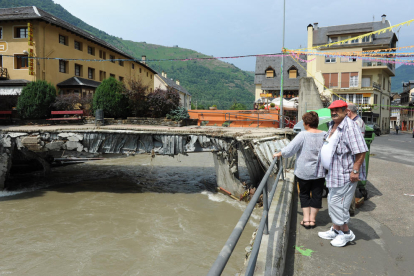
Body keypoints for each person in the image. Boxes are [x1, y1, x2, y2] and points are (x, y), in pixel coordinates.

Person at [316, 100, 368, 247]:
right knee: (334, 202)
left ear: (346, 111)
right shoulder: (333, 125)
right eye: (332, 110)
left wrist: (355, 171)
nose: (334, 112)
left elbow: (361, 150)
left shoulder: (350, 127)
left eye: (337, 110)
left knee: (337, 203)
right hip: (334, 172)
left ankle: (345, 233)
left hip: (345, 173)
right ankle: (335, 229)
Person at [273, 111, 326, 229]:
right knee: (317, 195)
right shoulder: (325, 135)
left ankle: (306, 220)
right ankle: (313, 220)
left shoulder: (303, 135)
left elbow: (290, 150)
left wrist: (280, 153)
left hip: (304, 171)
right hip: (320, 171)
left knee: (304, 194)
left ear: (306, 123)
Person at [346, 103, 365, 216]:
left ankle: (350, 209)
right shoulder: (359, 121)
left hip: (354, 156)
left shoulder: (355, 123)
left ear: (349, 111)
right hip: (355, 155)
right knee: (350, 185)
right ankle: (350, 208)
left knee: (350, 184)